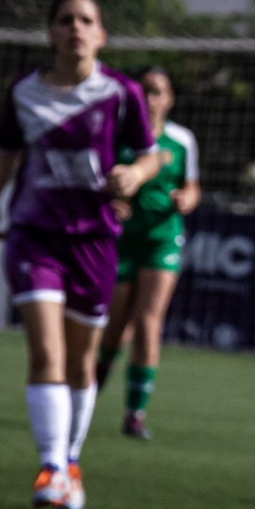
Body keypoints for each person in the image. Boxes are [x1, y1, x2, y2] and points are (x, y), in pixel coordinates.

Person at [0, 0, 159, 509]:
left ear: (101, 35)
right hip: (35, 235)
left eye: (86, 20)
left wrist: (134, 174)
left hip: (94, 240)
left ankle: (71, 461)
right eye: (65, 20)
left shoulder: (121, 93)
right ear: (50, 33)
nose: (75, 28)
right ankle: (52, 467)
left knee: (83, 363)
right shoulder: (24, 92)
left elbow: (149, 156)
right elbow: (6, 151)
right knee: (46, 351)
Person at [96, 67, 201, 439]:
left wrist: (186, 199)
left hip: (162, 240)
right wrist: (111, 202)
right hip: (122, 240)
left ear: (170, 100)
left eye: (159, 92)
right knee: (115, 328)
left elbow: (193, 187)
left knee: (148, 323)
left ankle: (134, 414)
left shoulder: (181, 140)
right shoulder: (118, 134)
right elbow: (100, 182)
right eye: (146, 91)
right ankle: (87, 397)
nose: (152, 98)